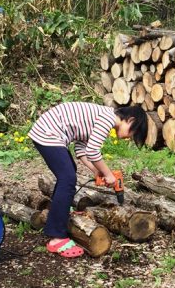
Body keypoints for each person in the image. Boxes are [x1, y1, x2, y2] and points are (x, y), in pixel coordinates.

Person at [28, 102, 148, 258]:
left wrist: (97, 171)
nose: (129, 138)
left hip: (48, 132)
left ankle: (57, 213)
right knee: (68, 178)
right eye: (133, 134)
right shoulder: (107, 118)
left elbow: (81, 148)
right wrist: (109, 174)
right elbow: (93, 151)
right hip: (48, 133)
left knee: (69, 174)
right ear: (130, 120)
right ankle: (57, 237)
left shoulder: (101, 116)